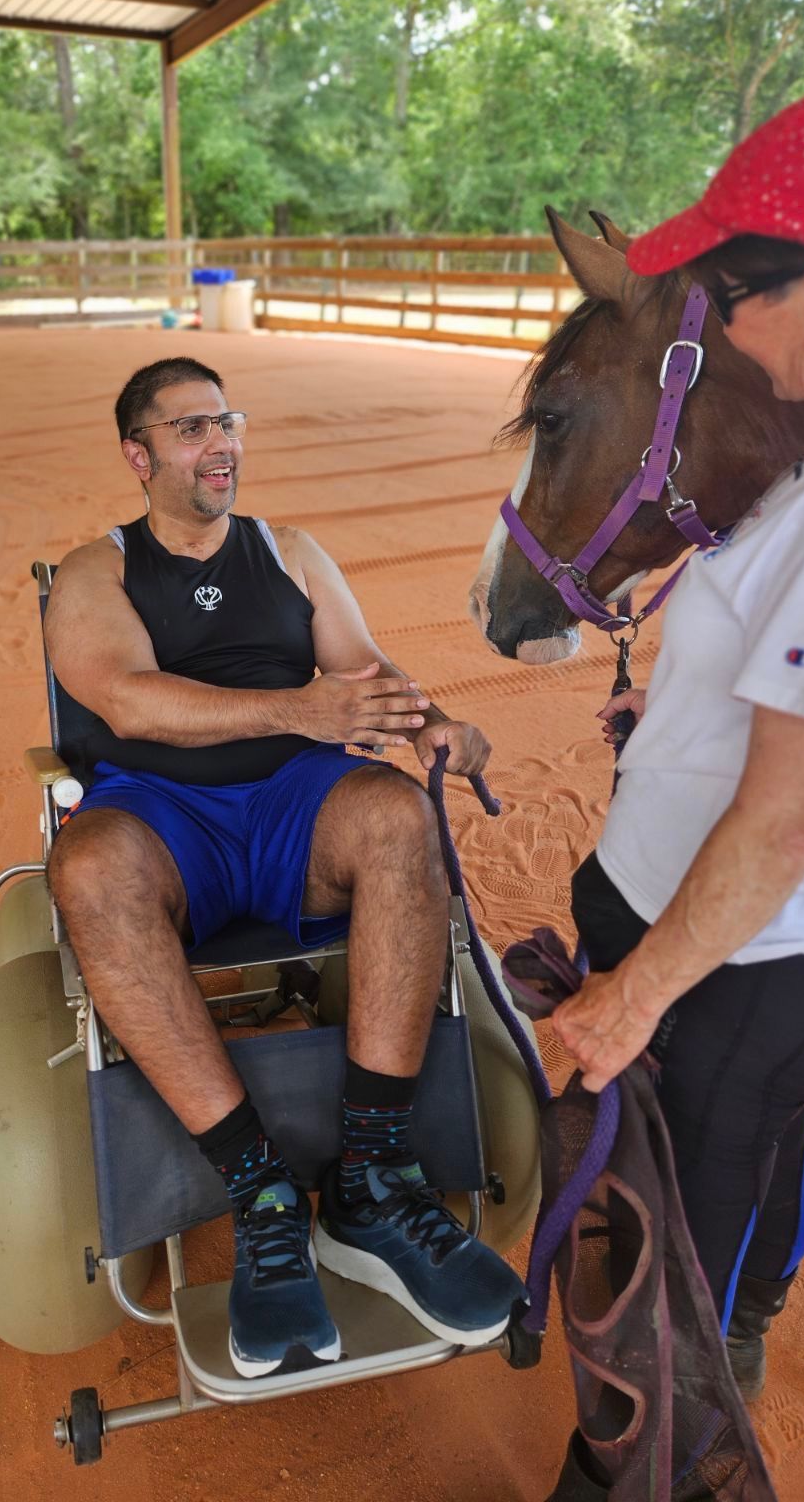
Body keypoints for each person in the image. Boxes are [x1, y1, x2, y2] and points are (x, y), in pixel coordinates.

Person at [44, 356, 525, 1378]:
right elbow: (125, 700)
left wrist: (433, 724)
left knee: (397, 816)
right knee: (87, 869)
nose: (219, 443)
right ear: (138, 456)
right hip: (163, 815)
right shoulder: (96, 572)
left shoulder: (291, 552)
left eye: (227, 422)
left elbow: (363, 673)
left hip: (294, 807)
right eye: (189, 429)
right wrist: (298, 707)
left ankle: (372, 1182)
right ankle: (260, 1188)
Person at [550, 77, 804, 1496]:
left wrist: (632, 995)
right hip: (758, 949)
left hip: (766, 956)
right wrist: (675, 717)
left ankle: (667, 1462)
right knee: (737, 1170)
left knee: (690, 1246)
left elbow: (801, 810)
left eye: (729, 293)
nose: (716, 326)